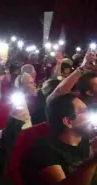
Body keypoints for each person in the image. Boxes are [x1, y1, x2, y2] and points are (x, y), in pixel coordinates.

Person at [22, 51, 97, 185]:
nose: (91, 117)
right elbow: (56, 97)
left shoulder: (83, 140)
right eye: (84, 112)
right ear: (68, 121)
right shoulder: (44, 150)